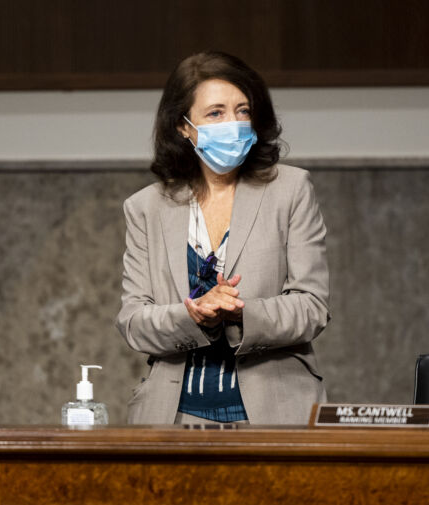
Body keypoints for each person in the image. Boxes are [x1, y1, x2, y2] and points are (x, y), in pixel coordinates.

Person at [116, 51, 329, 425]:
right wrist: (192, 315)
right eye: (216, 113)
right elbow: (134, 321)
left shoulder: (291, 189)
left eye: (242, 110)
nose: (233, 123)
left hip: (274, 414)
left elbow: (312, 306)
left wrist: (242, 313)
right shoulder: (146, 207)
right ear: (183, 126)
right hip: (171, 417)